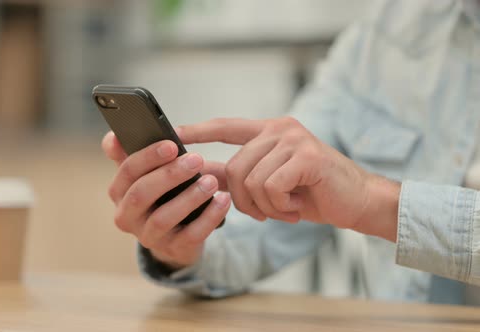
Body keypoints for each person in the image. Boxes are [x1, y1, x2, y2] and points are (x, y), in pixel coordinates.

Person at [101, 0, 480, 305]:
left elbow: (356, 195)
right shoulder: (388, 29)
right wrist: (185, 242)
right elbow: (267, 219)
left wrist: (373, 202)